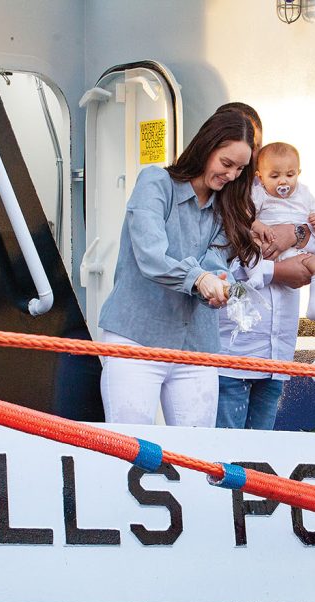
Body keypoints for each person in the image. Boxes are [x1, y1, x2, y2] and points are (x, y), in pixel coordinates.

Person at [97, 110, 259, 427]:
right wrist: (199, 278)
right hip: (135, 339)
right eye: (226, 164)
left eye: (240, 169)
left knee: (197, 455)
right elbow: (151, 255)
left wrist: (219, 288)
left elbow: (214, 265)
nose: (232, 176)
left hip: (196, 346)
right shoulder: (155, 182)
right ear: (205, 147)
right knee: (129, 449)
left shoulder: (227, 209)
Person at [214, 107, 315, 431]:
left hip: (277, 352)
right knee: (224, 454)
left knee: (262, 455)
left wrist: (296, 231)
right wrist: (277, 270)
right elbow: (219, 270)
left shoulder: (285, 187)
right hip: (233, 353)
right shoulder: (220, 198)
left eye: (253, 143)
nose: (247, 151)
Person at [245, 142, 315, 323]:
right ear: (260, 177)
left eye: (290, 174)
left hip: (296, 253)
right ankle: (255, 274)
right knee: (250, 247)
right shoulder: (259, 193)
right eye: (275, 176)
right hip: (265, 245)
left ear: (298, 173)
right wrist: (258, 226)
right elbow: (245, 217)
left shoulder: (304, 193)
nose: (283, 181)